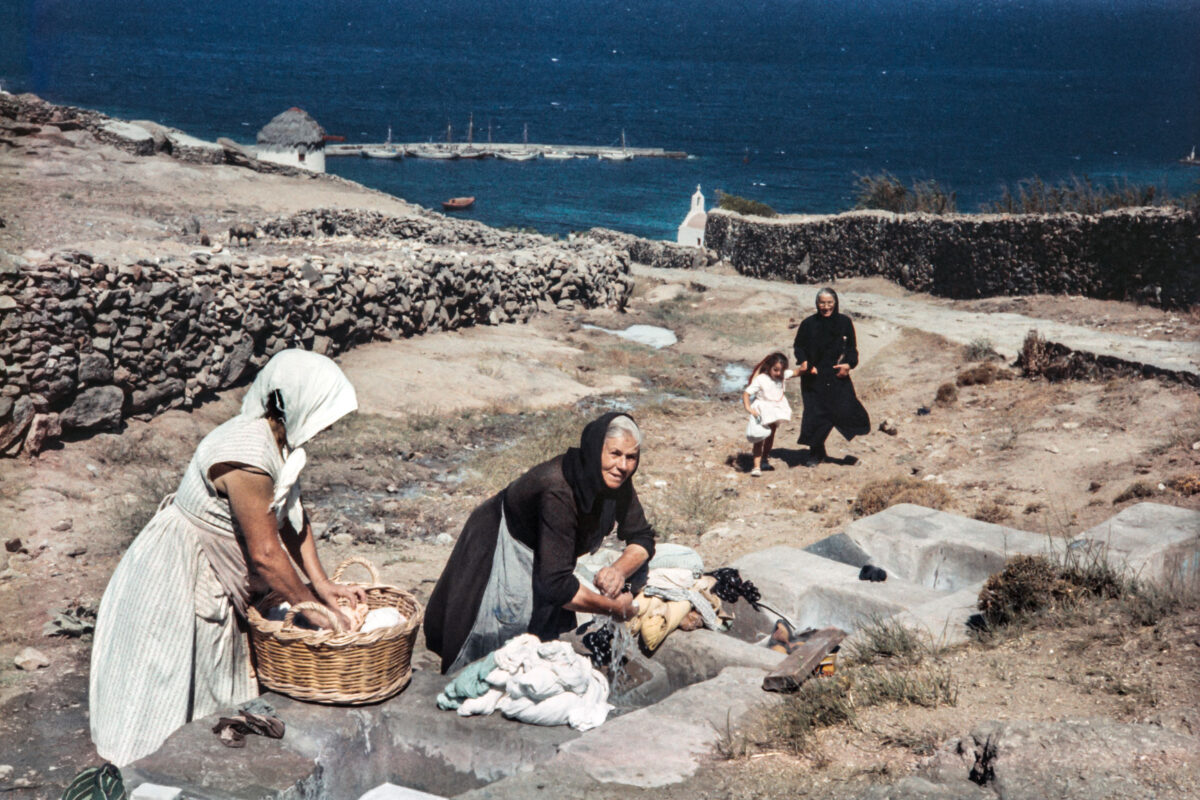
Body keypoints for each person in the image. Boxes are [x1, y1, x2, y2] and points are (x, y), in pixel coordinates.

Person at [89, 349, 367, 766]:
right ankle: (147, 772)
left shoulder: (280, 442)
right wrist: (312, 609)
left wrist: (323, 584)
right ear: (300, 402)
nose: (328, 426)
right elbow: (266, 555)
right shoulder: (248, 455)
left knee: (209, 690)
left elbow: (292, 514)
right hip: (180, 569)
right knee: (163, 680)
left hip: (217, 566)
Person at [425, 412, 655, 675]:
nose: (623, 465)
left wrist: (618, 570)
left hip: (546, 551)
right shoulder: (558, 488)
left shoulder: (617, 482)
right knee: (499, 633)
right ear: (595, 451)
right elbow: (556, 586)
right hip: (503, 540)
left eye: (631, 457)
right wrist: (614, 608)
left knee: (544, 634)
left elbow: (642, 537)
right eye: (614, 454)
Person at [792, 288, 870, 465]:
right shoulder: (808, 324)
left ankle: (822, 448)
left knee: (844, 408)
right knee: (815, 414)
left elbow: (852, 349)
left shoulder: (844, 322)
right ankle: (816, 452)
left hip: (836, 375)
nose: (826, 307)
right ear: (816, 304)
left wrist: (848, 365)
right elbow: (799, 347)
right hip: (814, 376)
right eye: (822, 303)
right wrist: (804, 362)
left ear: (835, 303)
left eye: (829, 303)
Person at [742, 352, 795, 477]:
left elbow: (797, 372)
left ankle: (764, 459)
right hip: (762, 410)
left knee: (770, 436)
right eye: (775, 370)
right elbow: (747, 393)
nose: (778, 373)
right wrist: (748, 408)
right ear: (769, 367)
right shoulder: (761, 379)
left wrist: (808, 368)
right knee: (759, 438)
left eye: (781, 371)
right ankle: (756, 466)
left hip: (774, 411)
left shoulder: (782, 376)